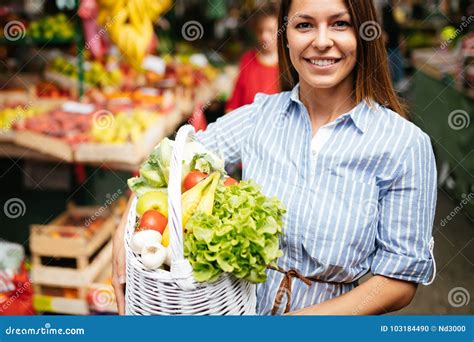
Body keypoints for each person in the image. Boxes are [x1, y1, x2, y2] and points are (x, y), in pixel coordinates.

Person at [113, 0, 437, 315]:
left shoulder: (404, 145)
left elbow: (398, 280)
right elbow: (176, 160)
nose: (321, 41)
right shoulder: (260, 115)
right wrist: (123, 231)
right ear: (286, 36)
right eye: (304, 25)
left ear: (365, 34)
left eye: (340, 23)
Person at [225, 3, 280, 112]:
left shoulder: (290, 64)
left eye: (270, 31)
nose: (264, 36)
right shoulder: (247, 59)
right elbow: (234, 102)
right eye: (260, 30)